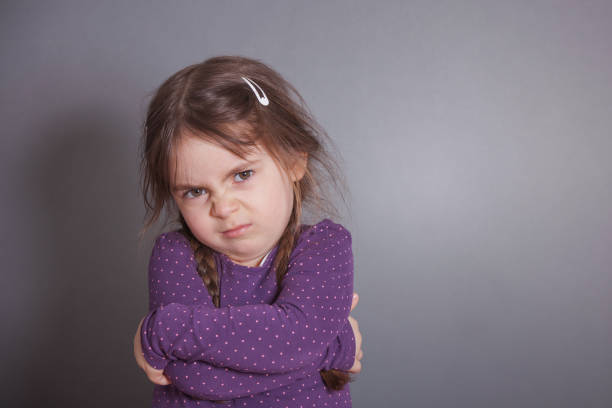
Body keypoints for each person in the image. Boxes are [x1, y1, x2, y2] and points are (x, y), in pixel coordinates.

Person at [133, 56, 364, 407]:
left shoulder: (325, 246)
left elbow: (297, 338)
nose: (223, 208)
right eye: (195, 191)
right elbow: (195, 377)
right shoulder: (175, 254)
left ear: (293, 160)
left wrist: (163, 329)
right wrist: (333, 346)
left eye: (242, 175)